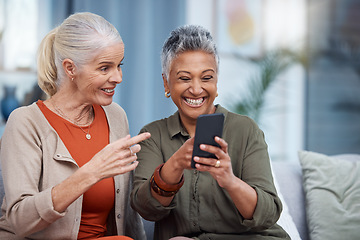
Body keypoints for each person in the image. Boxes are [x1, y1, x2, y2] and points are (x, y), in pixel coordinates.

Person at [130, 25, 291, 240]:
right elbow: (146, 209)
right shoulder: (152, 136)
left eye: (206, 78)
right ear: (166, 82)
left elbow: (268, 215)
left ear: (216, 82)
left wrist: (229, 180)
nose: (196, 89)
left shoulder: (245, 130)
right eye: (185, 78)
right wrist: (175, 164)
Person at [0, 12, 150, 240]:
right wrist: (90, 172)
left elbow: (126, 214)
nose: (118, 77)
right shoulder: (25, 122)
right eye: (104, 68)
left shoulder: (115, 115)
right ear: (70, 68)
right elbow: (20, 219)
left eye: (119, 65)